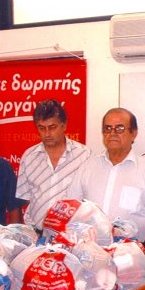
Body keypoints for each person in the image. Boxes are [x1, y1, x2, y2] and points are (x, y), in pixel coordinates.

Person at [67, 108, 145, 273]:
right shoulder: (87, 167)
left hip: (130, 260)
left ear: (133, 133)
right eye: (107, 128)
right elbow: (71, 210)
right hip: (88, 258)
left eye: (119, 128)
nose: (112, 133)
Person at [16, 99, 91, 233]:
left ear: (64, 125)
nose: (47, 134)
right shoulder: (29, 157)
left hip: (71, 235)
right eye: (41, 128)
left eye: (52, 127)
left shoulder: (85, 155)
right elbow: (26, 198)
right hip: (36, 234)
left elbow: (90, 200)